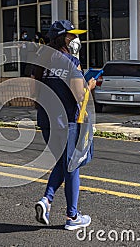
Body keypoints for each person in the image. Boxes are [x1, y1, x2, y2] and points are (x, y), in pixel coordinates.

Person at [31, 20, 96, 230]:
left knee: (62, 163)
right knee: (72, 166)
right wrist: (90, 85)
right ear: (63, 38)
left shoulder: (41, 61)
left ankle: (46, 201)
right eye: (72, 36)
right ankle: (72, 217)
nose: (76, 40)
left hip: (47, 121)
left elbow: (34, 94)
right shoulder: (70, 61)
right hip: (67, 121)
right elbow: (80, 95)